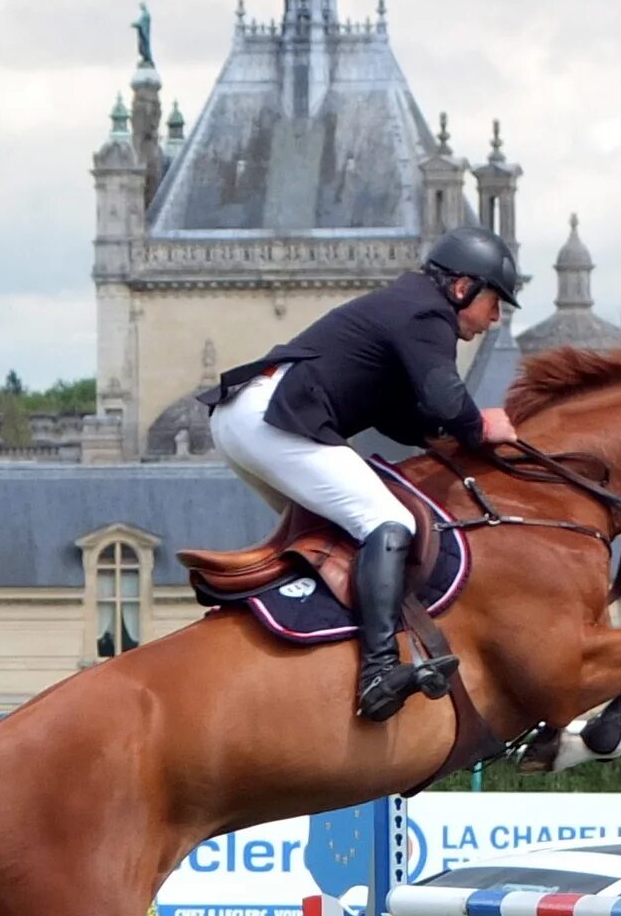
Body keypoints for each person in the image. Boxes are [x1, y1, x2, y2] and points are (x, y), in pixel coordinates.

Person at [203, 224, 528, 719]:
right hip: (272, 422)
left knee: (333, 537)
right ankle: (377, 672)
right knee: (387, 524)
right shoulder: (427, 311)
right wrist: (481, 425)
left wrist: (452, 437)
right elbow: (446, 400)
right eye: (494, 303)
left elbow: (401, 417)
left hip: (244, 419)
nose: (494, 319)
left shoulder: (406, 305)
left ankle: (313, 643)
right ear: (463, 288)